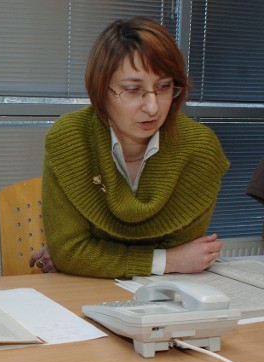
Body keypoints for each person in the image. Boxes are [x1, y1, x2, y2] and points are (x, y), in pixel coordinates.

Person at [29, 16, 229, 279]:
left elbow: (78, 254)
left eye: (164, 87)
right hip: (86, 294)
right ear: (101, 90)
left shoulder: (200, 149)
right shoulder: (70, 139)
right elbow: (71, 252)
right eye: (133, 90)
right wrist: (168, 260)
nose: (153, 108)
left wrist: (94, 255)